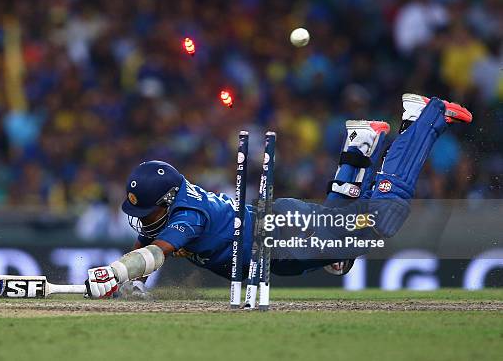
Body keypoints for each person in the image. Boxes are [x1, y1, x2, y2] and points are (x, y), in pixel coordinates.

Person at [85, 94, 472, 298]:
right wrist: (129, 285)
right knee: (340, 257)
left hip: (283, 237)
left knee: (380, 221)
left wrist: (116, 273)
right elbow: (144, 250)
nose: (146, 219)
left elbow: (153, 255)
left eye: (154, 212)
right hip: (280, 234)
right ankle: (361, 143)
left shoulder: (187, 215)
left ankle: (425, 117)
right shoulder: (165, 212)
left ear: (168, 201)